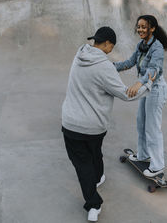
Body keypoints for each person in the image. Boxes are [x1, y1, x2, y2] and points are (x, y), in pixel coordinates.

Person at [61, 26, 155, 222]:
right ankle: (93, 205)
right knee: (89, 159)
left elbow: (107, 71)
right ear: (106, 43)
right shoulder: (103, 67)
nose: (111, 49)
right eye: (112, 46)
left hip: (69, 123)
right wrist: (148, 84)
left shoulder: (79, 54)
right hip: (93, 126)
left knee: (85, 159)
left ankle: (97, 178)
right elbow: (126, 94)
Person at [114, 15, 167, 178]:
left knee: (152, 128)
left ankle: (158, 165)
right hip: (146, 89)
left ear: (152, 28)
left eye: (144, 27)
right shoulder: (141, 45)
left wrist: (139, 83)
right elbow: (129, 62)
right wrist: (109, 66)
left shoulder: (157, 47)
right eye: (139, 26)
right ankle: (144, 154)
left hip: (156, 89)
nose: (140, 29)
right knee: (141, 122)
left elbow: (154, 69)